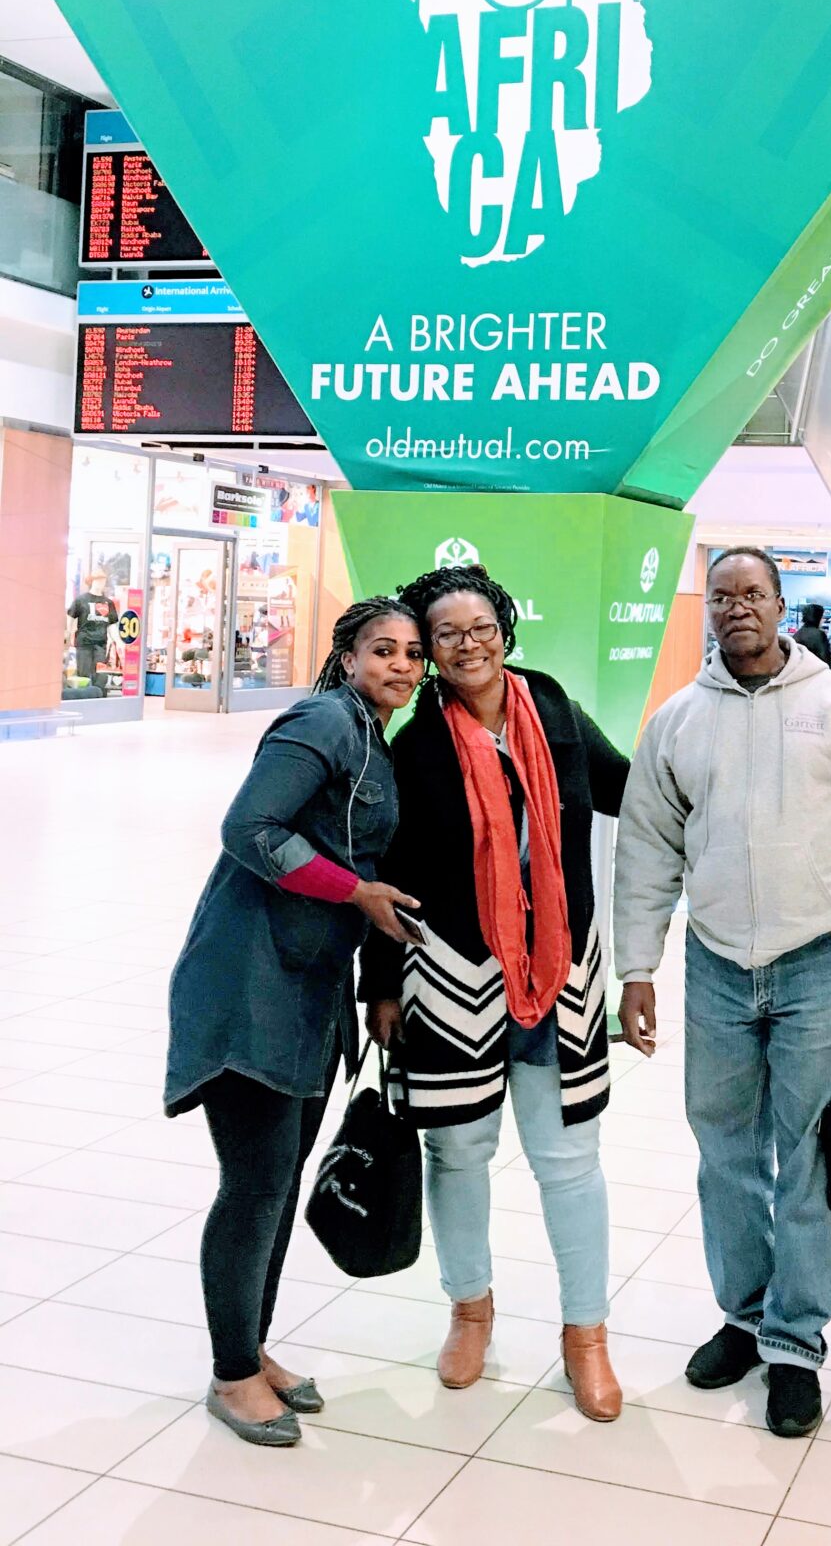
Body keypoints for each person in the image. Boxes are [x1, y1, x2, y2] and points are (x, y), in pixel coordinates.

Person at [613, 546, 831, 1439]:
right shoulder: (677, 721)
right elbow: (645, 852)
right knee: (725, 1152)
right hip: (714, 965)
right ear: (707, 608)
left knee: (809, 1152)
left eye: (755, 594)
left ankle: (795, 1344)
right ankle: (743, 1316)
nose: (738, 607)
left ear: (783, 606)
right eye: (723, 594)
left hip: (822, 962)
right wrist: (638, 966)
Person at [359, 562, 630, 1421]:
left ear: (506, 629)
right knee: (458, 1153)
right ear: (430, 654)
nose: (467, 644)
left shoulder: (549, 705)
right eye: (447, 635)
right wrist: (381, 983)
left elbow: (630, 784)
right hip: (450, 973)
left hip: (558, 968)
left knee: (569, 1164)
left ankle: (585, 1336)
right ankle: (469, 1310)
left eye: (481, 627)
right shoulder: (417, 743)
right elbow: (387, 869)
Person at [165, 598, 427, 1449]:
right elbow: (249, 827)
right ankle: (231, 1372)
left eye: (412, 653)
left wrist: (376, 983)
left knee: (278, 1181)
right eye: (382, 649)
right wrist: (353, 894)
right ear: (346, 657)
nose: (402, 665)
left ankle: (251, 1349)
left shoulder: (370, 736)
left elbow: (367, 858)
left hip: (308, 989)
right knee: (254, 1185)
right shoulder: (322, 718)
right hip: (248, 982)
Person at [67, 570, 116, 682]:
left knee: (100, 675)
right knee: (83, 674)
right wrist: (68, 632)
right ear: (92, 581)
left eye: (103, 580)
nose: (101, 583)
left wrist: (117, 641)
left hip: (100, 644)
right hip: (84, 643)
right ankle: (84, 697)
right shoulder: (81, 600)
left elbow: (112, 624)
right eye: (98, 580)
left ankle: (98, 695)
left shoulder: (108, 603)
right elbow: (70, 615)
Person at [789, 603, 831, 667]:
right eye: (822, 617)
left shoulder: (797, 634)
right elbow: (825, 661)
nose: (823, 620)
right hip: (814, 673)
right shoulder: (819, 635)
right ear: (817, 618)